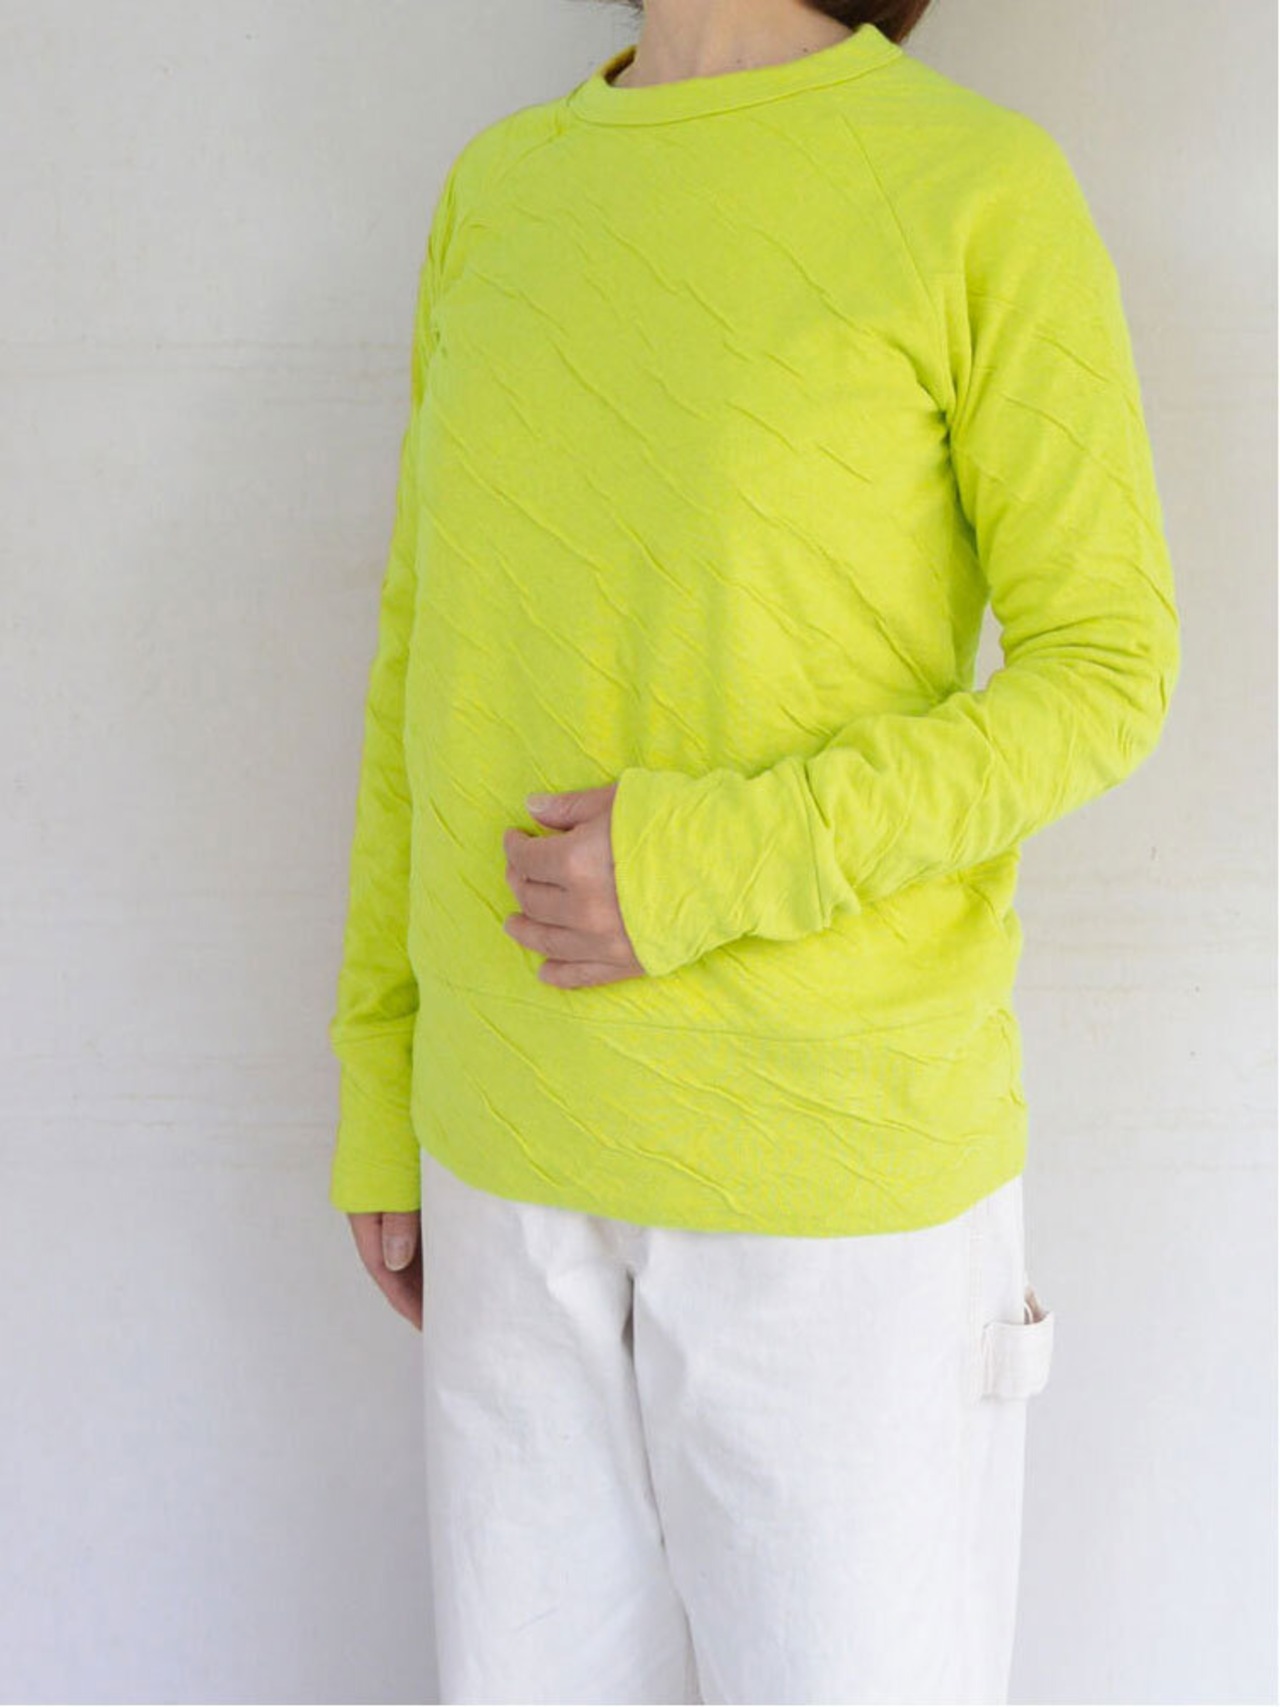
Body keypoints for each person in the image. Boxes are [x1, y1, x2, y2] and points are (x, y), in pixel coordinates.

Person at [327, 1, 1181, 1700]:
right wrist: (379, 1071)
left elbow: (1109, 669)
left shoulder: (975, 187)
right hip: (508, 1166)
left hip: (833, 1197)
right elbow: (424, 657)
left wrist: (713, 864)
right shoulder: (502, 189)